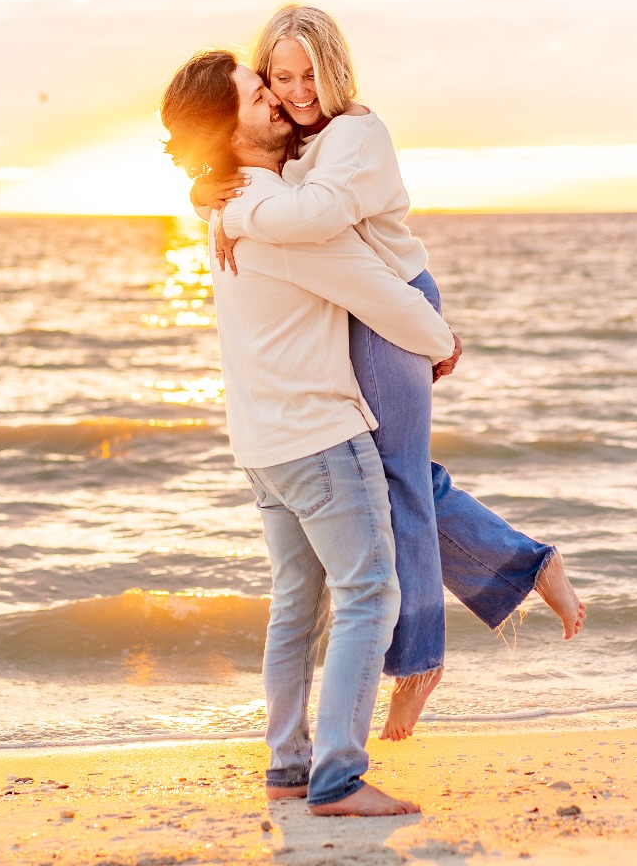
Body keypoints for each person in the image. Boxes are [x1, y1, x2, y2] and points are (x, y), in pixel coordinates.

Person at [193, 5, 586, 741]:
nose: (296, 91)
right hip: (364, 311)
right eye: (280, 77)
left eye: (310, 73)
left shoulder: (357, 134)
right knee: (398, 479)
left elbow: (317, 217)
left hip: (392, 310)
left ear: (336, 69)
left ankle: (418, 665)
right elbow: (272, 190)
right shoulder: (298, 143)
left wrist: (234, 215)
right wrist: (208, 189)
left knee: (396, 483)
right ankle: (526, 567)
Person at [160, 48, 457, 816]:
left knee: (297, 604)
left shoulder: (231, 205)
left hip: (262, 446)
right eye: (259, 95)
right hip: (320, 436)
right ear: (233, 129)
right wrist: (440, 339)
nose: (277, 102)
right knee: (369, 596)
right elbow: (379, 295)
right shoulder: (279, 215)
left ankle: (289, 765)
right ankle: (337, 778)